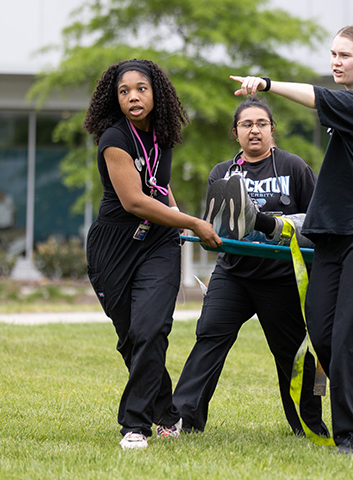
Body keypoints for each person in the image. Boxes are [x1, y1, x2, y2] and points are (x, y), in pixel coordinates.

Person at [230, 25, 353, 454]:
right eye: (332, 54)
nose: (336, 62)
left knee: (350, 336)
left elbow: (316, 97)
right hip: (331, 240)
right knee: (324, 336)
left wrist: (267, 84)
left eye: (345, 55)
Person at [83, 59, 221, 450]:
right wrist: (193, 222)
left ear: (156, 93)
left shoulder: (164, 135)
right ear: (116, 99)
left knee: (151, 328)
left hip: (159, 243)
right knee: (132, 337)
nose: (133, 97)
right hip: (114, 247)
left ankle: (135, 424)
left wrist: (177, 221)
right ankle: (168, 411)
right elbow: (134, 201)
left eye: (141, 89)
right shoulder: (113, 139)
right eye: (124, 91)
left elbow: (159, 185)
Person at [172, 98, 328, 438]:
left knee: (292, 353)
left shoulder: (295, 168)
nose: (254, 130)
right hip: (234, 275)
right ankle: (184, 419)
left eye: (261, 123)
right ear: (236, 132)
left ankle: (308, 425)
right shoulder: (222, 173)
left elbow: (317, 226)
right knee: (209, 337)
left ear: (272, 129)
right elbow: (219, 224)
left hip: (282, 278)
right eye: (246, 124)